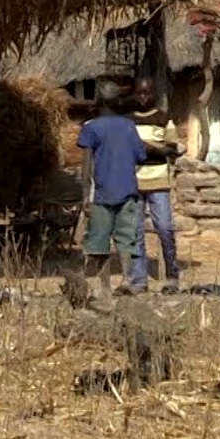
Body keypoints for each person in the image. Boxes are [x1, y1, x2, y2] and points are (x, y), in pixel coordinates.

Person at [76, 79, 168, 295]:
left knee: (99, 242)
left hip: (100, 194)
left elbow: (87, 165)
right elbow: (140, 155)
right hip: (127, 192)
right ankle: (127, 279)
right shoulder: (128, 126)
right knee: (126, 240)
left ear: (98, 102)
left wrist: (84, 198)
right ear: (119, 101)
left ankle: (105, 286)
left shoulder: (91, 127)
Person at [128, 78, 183, 292]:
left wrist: (145, 148)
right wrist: (153, 149)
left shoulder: (163, 117)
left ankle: (172, 275)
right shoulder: (128, 120)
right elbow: (126, 149)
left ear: (153, 95)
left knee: (165, 228)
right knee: (135, 232)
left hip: (159, 180)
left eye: (147, 93)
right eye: (139, 93)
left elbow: (171, 148)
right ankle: (139, 279)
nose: (143, 97)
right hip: (134, 182)